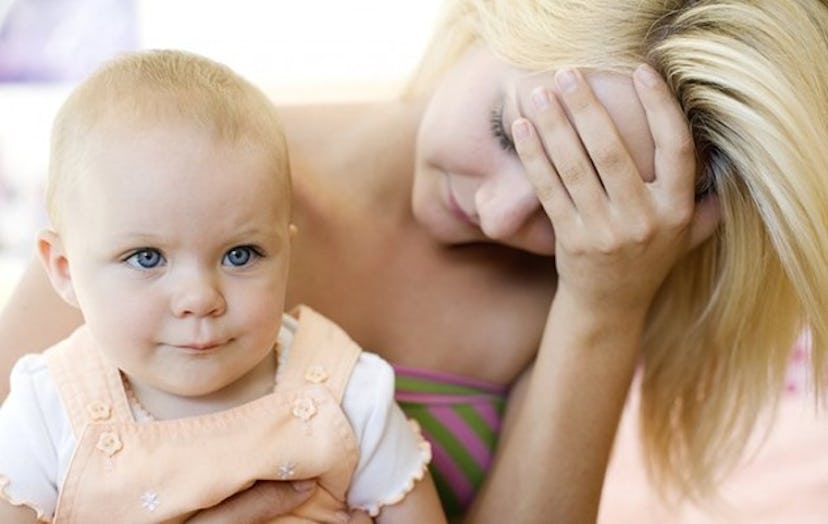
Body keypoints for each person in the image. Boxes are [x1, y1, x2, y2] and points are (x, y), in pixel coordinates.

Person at [2, 0, 828, 522]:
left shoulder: (595, 275)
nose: (501, 214)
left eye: (570, 203)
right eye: (510, 132)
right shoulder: (157, 189)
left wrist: (604, 303)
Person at [0, 49, 445, 524]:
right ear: (66, 269)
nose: (200, 299)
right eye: (146, 258)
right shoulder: (47, 413)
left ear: (285, 254)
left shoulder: (344, 390)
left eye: (241, 254)